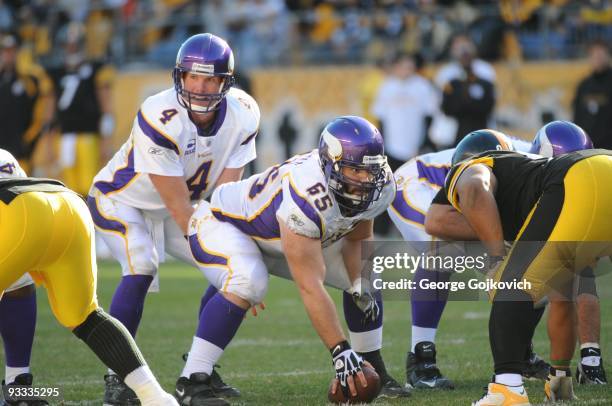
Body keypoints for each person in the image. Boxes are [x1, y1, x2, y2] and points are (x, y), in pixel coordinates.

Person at [176, 116, 409, 404]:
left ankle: (372, 365)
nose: (363, 181)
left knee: (366, 275)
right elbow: (310, 285)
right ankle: (192, 380)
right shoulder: (306, 194)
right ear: (329, 163)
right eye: (353, 170)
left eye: (369, 171)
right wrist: (339, 350)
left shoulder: (382, 184)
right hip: (224, 224)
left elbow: (358, 237)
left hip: (280, 237)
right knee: (249, 281)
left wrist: (360, 283)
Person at [87, 33, 259, 404]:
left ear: (226, 82)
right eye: (192, 77)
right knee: (143, 263)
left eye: (210, 78)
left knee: (237, 267)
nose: (199, 86)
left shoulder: (244, 113)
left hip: (177, 207)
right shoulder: (158, 115)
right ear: (179, 76)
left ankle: (201, 370)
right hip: (120, 199)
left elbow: (225, 200)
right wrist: (216, 253)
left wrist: (239, 271)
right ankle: (118, 377)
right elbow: (181, 208)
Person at [425, 145, 612, 405]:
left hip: (579, 177)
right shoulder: (530, 178)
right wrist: (559, 382)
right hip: (601, 165)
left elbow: (475, 188)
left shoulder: (471, 167)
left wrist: (497, 256)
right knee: (563, 291)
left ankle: (507, 389)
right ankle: (560, 386)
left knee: (509, 286)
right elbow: (562, 302)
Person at [0, 174, 178, 405]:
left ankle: (16, 387)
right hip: (69, 204)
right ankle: (156, 397)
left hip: (19, 211)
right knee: (87, 316)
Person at [387, 130, 545, 390]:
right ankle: (420, 359)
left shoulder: (542, 159)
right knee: (440, 252)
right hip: (419, 184)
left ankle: (521, 354)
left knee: (535, 262)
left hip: (465, 192)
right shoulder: (533, 162)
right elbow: (443, 220)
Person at [529, 121, 607, 386]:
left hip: (582, 215)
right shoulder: (596, 161)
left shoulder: (549, 172)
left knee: (561, 285)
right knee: (582, 277)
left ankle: (546, 370)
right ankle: (591, 361)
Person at [47, 22, 116, 196]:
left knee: (88, 184)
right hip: (65, 135)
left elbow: (105, 102)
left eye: (74, 45)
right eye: (67, 45)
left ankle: (90, 220)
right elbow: (52, 106)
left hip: (88, 134)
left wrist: (106, 138)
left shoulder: (95, 69)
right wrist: (49, 136)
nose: (70, 49)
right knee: (68, 185)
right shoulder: (57, 72)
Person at [0, 33, 53, 173]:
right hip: (2, 149)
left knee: (21, 188)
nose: (8, 55)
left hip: (21, 149)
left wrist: (27, 140)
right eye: (5, 50)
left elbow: (43, 105)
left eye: (11, 50)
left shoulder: (30, 79)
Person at [572, 40, 612, 149]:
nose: (597, 59)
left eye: (600, 55)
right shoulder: (584, 85)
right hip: (589, 148)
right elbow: (577, 115)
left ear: (608, 56)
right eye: (594, 55)